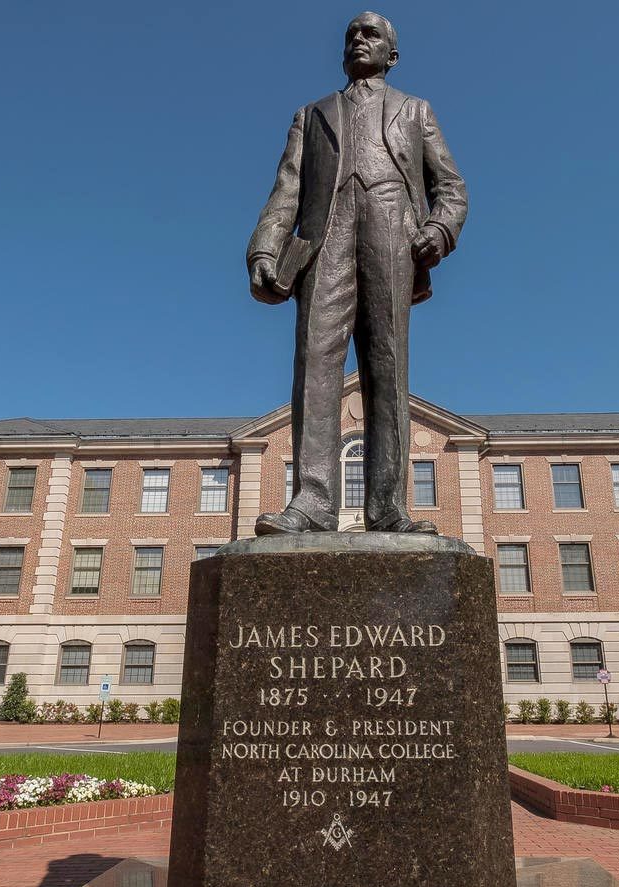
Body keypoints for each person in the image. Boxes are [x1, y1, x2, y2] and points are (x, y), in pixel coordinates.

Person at [247, 11, 467, 536]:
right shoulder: (312, 114)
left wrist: (438, 230)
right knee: (315, 364)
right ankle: (312, 502)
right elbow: (287, 190)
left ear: (392, 55)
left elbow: (452, 188)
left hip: (393, 231)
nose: (358, 40)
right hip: (324, 238)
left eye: (371, 34)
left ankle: (387, 505)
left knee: (387, 365)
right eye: (351, 35)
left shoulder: (416, 110)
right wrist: (263, 250)